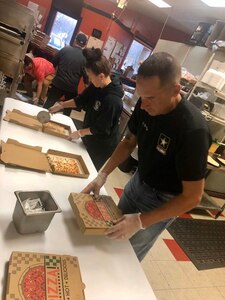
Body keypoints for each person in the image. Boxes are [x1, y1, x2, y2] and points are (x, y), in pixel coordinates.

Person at [82, 52, 212, 261]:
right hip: (139, 181)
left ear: (175, 90)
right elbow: (128, 142)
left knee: (127, 256)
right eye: (141, 96)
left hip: (164, 200)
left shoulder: (192, 130)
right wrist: (102, 174)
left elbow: (192, 197)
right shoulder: (145, 106)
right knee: (110, 233)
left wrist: (141, 221)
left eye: (151, 98)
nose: (143, 105)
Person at [49, 48, 124, 171]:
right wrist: (61, 105)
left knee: (87, 168)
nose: (88, 79)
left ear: (101, 76)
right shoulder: (97, 85)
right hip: (91, 132)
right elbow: (80, 100)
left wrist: (79, 133)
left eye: (90, 76)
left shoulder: (113, 101)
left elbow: (100, 129)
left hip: (102, 144)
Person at [43, 32, 89, 116]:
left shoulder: (65, 49)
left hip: (58, 83)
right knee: (67, 109)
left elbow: (53, 62)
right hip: (71, 87)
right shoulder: (85, 58)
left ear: (75, 40)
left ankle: (41, 118)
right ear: (85, 44)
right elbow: (86, 77)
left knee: (49, 103)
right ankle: (63, 125)